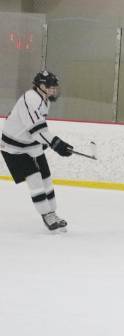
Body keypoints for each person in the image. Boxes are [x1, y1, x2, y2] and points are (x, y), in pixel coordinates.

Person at [1, 70, 74, 232]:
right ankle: (46, 214)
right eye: (50, 86)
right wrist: (57, 144)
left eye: (55, 87)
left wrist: (48, 143)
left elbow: (37, 130)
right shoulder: (31, 99)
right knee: (35, 180)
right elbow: (36, 130)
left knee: (46, 178)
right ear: (40, 86)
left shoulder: (44, 100)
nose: (54, 90)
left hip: (31, 144)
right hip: (14, 148)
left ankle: (52, 212)